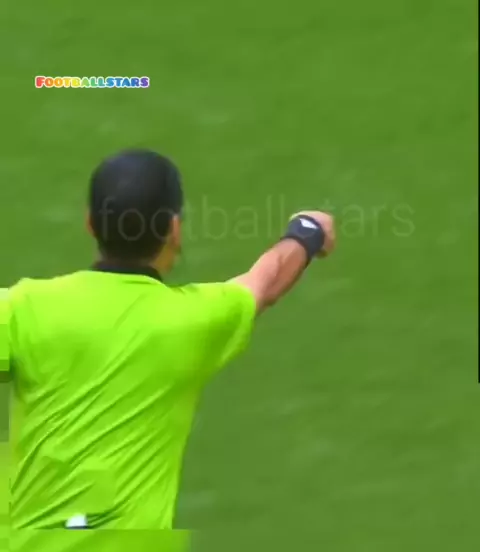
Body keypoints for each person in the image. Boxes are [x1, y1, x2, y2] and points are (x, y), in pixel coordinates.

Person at [0, 149, 336, 534]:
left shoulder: (23, 308)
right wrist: (307, 232)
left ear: (90, 223)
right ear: (174, 229)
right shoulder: (193, 320)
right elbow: (265, 283)